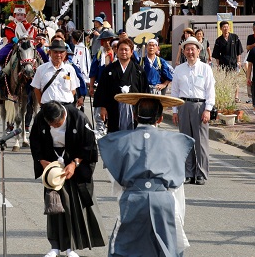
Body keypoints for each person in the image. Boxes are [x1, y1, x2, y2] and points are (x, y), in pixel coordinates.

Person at [98, 93, 194, 257]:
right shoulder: (174, 141)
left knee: (123, 249)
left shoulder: (120, 140)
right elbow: (177, 185)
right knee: (167, 248)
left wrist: (126, 189)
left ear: (134, 116)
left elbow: (114, 177)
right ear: (160, 118)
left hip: (133, 198)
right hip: (163, 199)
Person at [30, 101, 106, 257]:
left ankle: (71, 247)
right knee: (54, 204)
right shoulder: (41, 118)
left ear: (64, 115)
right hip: (52, 163)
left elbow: (89, 145)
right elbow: (35, 141)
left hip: (74, 163)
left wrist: (75, 163)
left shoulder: (79, 118)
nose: (55, 127)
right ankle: (55, 246)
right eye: (52, 125)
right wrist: (40, 160)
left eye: (58, 124)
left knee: (72, 206)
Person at [171, 36, 216, 185]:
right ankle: (188, 172)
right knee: (185, 141)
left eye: (193, 49)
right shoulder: (179, 69)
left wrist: (208, 110)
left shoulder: (205, 68)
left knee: (201, 142)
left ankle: (201, 173)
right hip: (183, 105)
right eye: (187, 49)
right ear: (183, 51)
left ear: (199, 50)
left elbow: (210, 91)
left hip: (200, 106)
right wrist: (175, 110)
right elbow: (175, 91)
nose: (190, 52)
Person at [93, 38, 149, 133]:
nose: (123, 52)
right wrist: (103, 107)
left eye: (126, 50)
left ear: (131, 52)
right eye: (121, 49)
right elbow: (103, 89)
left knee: (133, 133)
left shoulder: (139, 70)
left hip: (133, 107)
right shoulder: (109, 69)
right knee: (115, 132)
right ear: (117, 51)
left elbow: (144, 90)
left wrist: (144, 109)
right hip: (114, 106)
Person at [31, 39, 79, 109]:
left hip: (66, 108)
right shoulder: (41, 69)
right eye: (55, 52)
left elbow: (73, 90)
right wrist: (42, 105)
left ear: (65, 53)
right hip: (48, 108)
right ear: (50, 53)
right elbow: (36, 89)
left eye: (61, 52)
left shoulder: (70, 69)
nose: (58, 55)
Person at [89, 30, 117, 137]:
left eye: (109, 40)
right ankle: (100, 130)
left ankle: (112, 130)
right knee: (99, 110)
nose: (107, 43)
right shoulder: (99, 55)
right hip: (101, 86)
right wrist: (91, 86)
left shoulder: (118, 54)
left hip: (115, 87)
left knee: (114, 111)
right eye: (104, 41)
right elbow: (93, 72)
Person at [212, 20, 243, 100]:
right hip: (223, 63)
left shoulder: (235, 37)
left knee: (235, 79)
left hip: (233, 62)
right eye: (224, 27)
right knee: (225, 80)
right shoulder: (218, 40)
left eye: (227, 27)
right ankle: (227, 96)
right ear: (221, 29)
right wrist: (218, 65)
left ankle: (236, 96)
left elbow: (239, 50)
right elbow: (216, 55)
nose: (226, 28)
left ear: (229, 27)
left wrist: (239, 61)